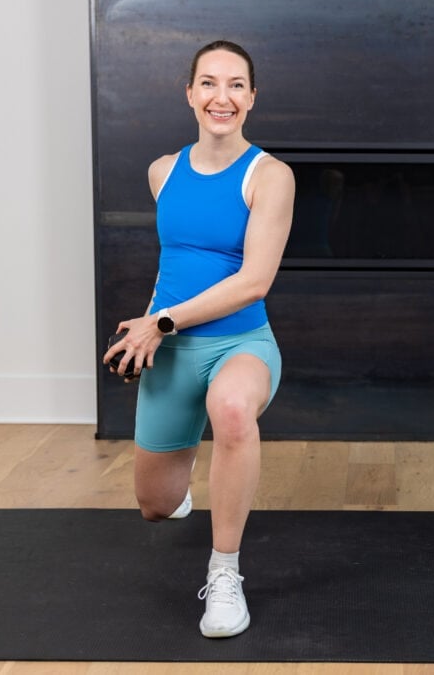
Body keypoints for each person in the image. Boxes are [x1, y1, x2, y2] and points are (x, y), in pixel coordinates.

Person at [103, 40, 294, 638]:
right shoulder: (164, 171)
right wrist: (146, 330)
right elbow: (175, 267)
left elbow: (253, 281)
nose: (223, 97)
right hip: (170, 349)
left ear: (252, 98)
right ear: (190, 93)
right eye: (209, 83)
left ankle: (226, 574)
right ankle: (180, 490)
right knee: (155, 507)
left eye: (236, 85)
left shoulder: (270, 175)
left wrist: (161, 322)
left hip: (241, 344)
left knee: (233, 412)